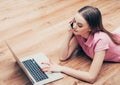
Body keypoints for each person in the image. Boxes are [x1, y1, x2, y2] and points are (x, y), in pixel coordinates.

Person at [41, 6, 120, 83]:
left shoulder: (101, 40)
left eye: (80, 25)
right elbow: (63, 57)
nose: (74, 26)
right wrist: (69, 34)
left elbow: (91, 77)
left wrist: (61, 68)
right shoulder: (79, 33)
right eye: (74, 21)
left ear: (91, 28)